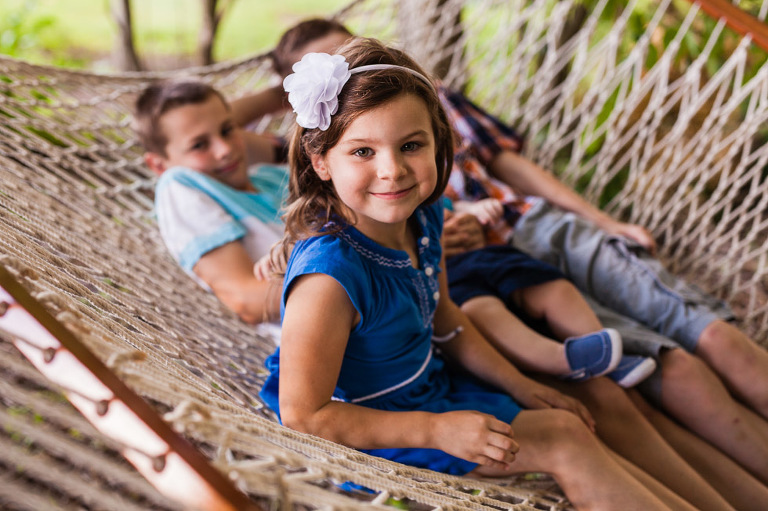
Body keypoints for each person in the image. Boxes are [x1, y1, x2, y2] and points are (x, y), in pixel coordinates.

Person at [232, 18, 768, 489]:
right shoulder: (330, 275)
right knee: (574, 429)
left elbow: (444, 317)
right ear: (322, 160)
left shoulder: (425, 214)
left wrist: (521, 383)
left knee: (591, 408)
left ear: (440, 143)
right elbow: (302, 414)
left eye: (411, 146)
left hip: (440, 366)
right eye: (364, 152)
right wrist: (438, 429)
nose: (392, 169)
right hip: (384, 418)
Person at [442, 197, 657, 388]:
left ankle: (601, 348)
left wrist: (472, 210)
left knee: (545, 281)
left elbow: (456, 205)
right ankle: (561, 360)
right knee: (477, 309)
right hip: (444, 277)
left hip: (483, 255)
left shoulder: (433, 194)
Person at [134, 80, 288, 326]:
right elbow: (246, 301)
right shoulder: (178, 186)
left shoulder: (274, 177)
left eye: (227, 129)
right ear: (159, 165)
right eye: (199, 145)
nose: (224, 149)